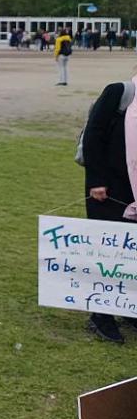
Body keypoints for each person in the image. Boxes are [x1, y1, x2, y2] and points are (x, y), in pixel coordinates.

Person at [80, 74, 137, 343]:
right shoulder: (120, 92)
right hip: (109, 190)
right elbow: (93, 135)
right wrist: (96, 181)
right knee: (109, 254)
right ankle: (101, 315)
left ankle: (129, 308)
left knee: (132, 255)